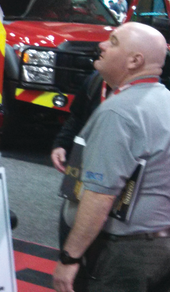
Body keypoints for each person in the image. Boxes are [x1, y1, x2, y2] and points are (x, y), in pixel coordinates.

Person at [52, 23, 170, 292]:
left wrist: (69, 257)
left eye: (113, 42)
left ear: (134, 61)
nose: (102, 45)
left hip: (125, 255)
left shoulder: (119, 111)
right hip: (166, 247)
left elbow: (100, 196)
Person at [51, 70, 105, 247]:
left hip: (115, 181)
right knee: (69, 224)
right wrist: (61, 144)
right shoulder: (95, 81)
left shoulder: (144, 96)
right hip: (82, 169)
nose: (102, 49)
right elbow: (76, 117)